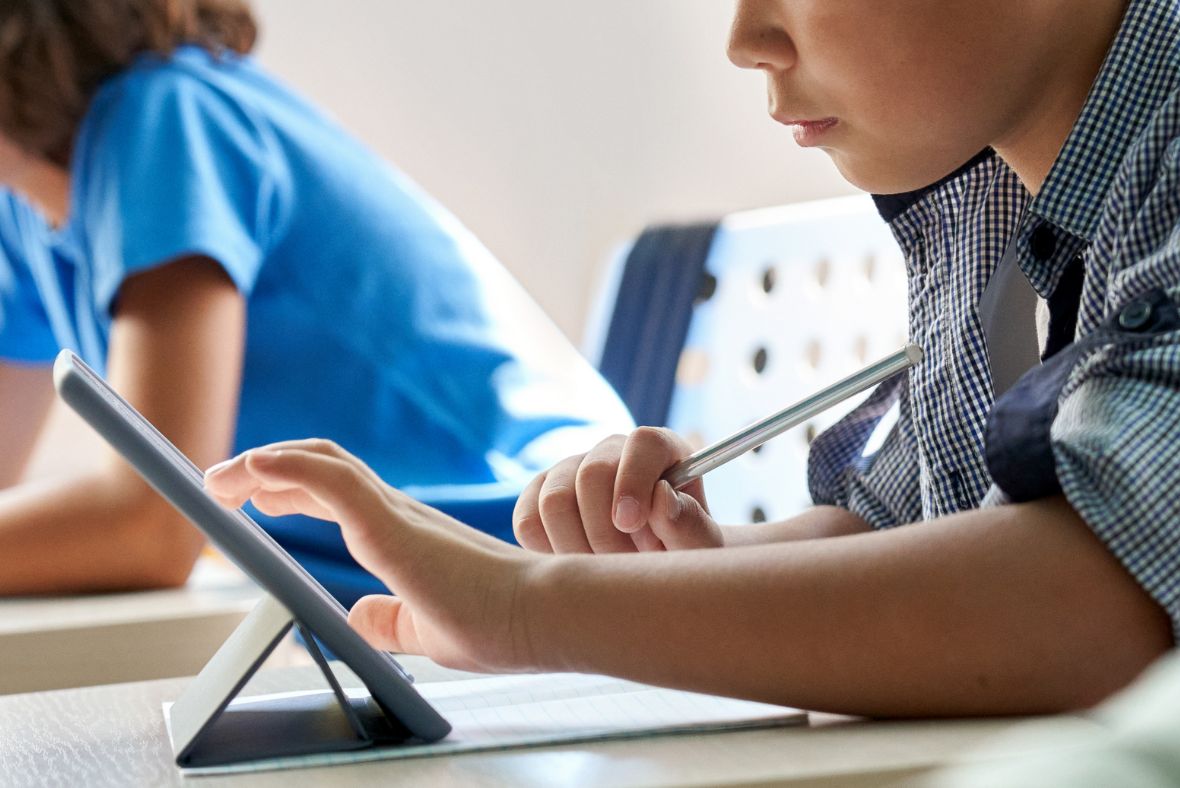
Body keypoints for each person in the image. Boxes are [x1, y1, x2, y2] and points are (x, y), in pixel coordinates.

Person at [206, 0, 1180, 716]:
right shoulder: (979, 192)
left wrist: (527, 605)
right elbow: (895, 525)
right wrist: (683, 577)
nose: (745, 37)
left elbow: (1103, 595)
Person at [0, 0, 633, 606]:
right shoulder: (23, 204)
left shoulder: (162, 116)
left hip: (543, 536)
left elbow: (150, 526)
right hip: (389, 576)